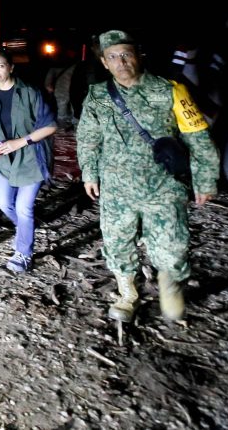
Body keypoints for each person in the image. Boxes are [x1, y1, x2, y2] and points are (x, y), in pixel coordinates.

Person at [77, 30, 220, 323]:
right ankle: (128, 294)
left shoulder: (170, 89)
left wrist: (205, 179)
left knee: (172, 243)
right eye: (113, 56)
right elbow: (88, 138)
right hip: (116, 188)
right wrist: (89, 173)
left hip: (163, 186)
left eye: (126, 54)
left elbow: (198, 137)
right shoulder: (98, 96)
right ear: (104, 62)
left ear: (138, 55)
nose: (121, 61)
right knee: (117, 242)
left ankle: (169, 288)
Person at [0, 47, 57, 274]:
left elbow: (50, 126)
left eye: (1, 65)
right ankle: (26, 228)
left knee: (24, 208)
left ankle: (24, 253)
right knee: (4, 203)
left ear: (11, 67)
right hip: (5, 160)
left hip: (31, 157)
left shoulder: (30, 92)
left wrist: (20, 142)